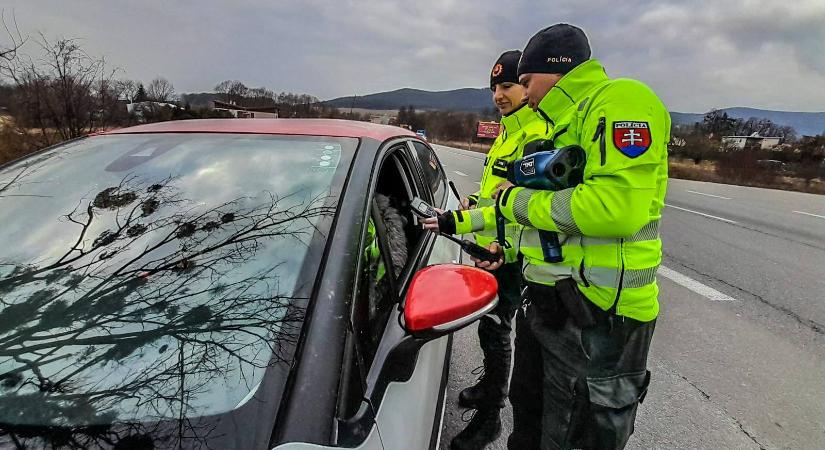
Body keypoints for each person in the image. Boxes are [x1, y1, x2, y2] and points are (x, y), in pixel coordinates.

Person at [426, 23, 670, 449]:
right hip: (550, 304)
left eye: (523, 82)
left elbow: (614, 210)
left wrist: (514, 202)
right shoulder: (558, 127)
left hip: (599, 317)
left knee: (570, 431)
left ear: (556, 71)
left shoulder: (622, 99)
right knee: (530, 417)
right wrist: (485, 233)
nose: (523, 93)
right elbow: (542, 222)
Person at [449, 49, 546, 450]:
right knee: (491, 328)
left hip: (512, 252)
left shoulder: (536, 134)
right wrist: (473, 204)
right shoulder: (509, 129)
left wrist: (500, 243)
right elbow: (496, 193)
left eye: (507, 86)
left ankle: (490, 419)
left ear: (526, 86)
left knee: (497, 329)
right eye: (494, 87)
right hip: (494, 240)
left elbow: (528, 205)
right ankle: (489, 387)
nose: (499, 95)